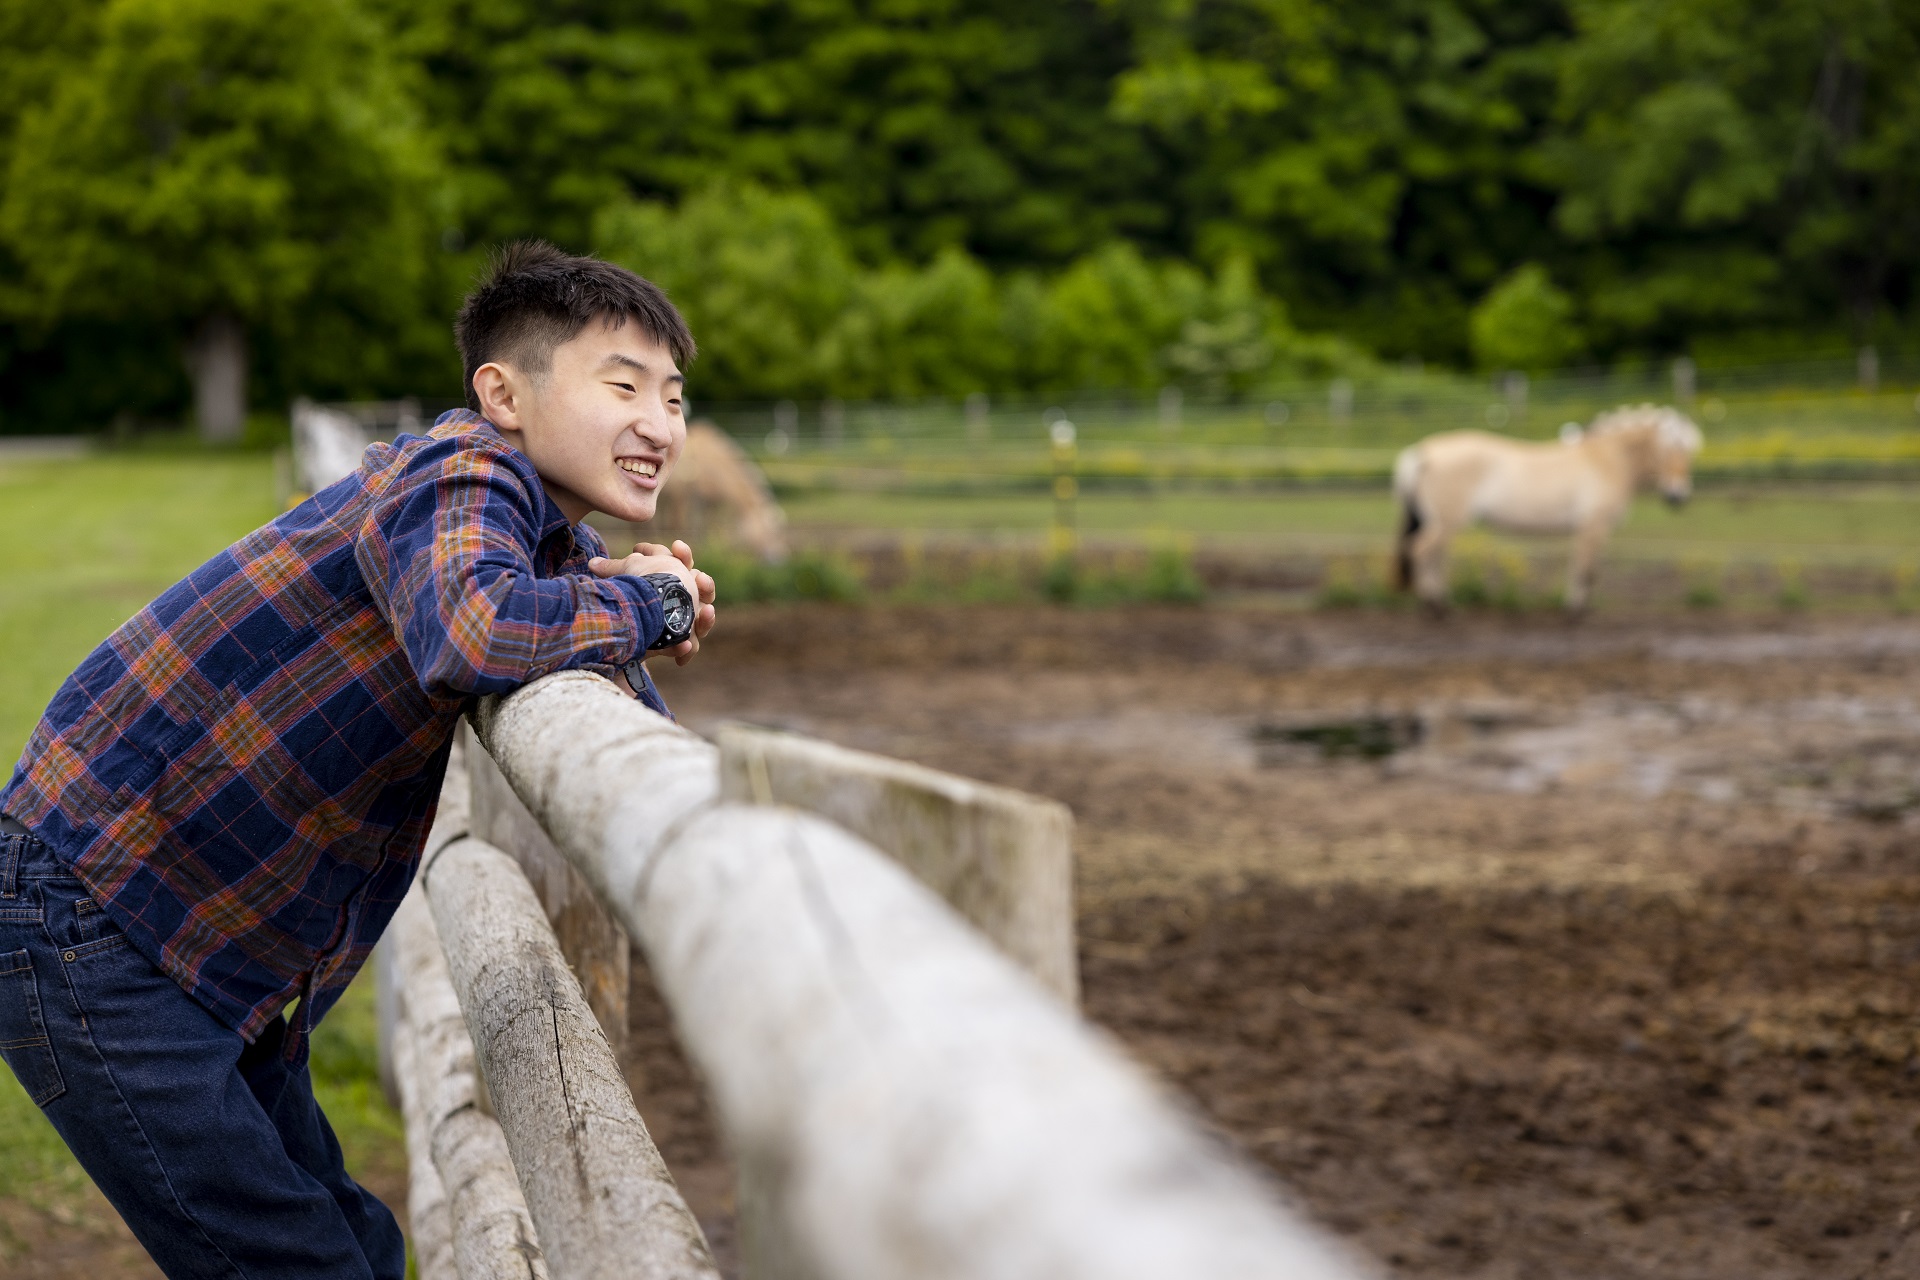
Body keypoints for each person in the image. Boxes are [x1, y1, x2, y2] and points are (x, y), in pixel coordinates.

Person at [0, 241, 715, 1279]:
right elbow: (474, 630)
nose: (661, 424)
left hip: (180, 931)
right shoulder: (465, 469)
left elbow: (586, 682)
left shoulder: (536, 536)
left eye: (675, 397)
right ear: (502, 392)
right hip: (96, 918)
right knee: (302, 1263)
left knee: (360, 1253)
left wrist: (631, 620)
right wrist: (647, 602)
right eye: (625, 386)